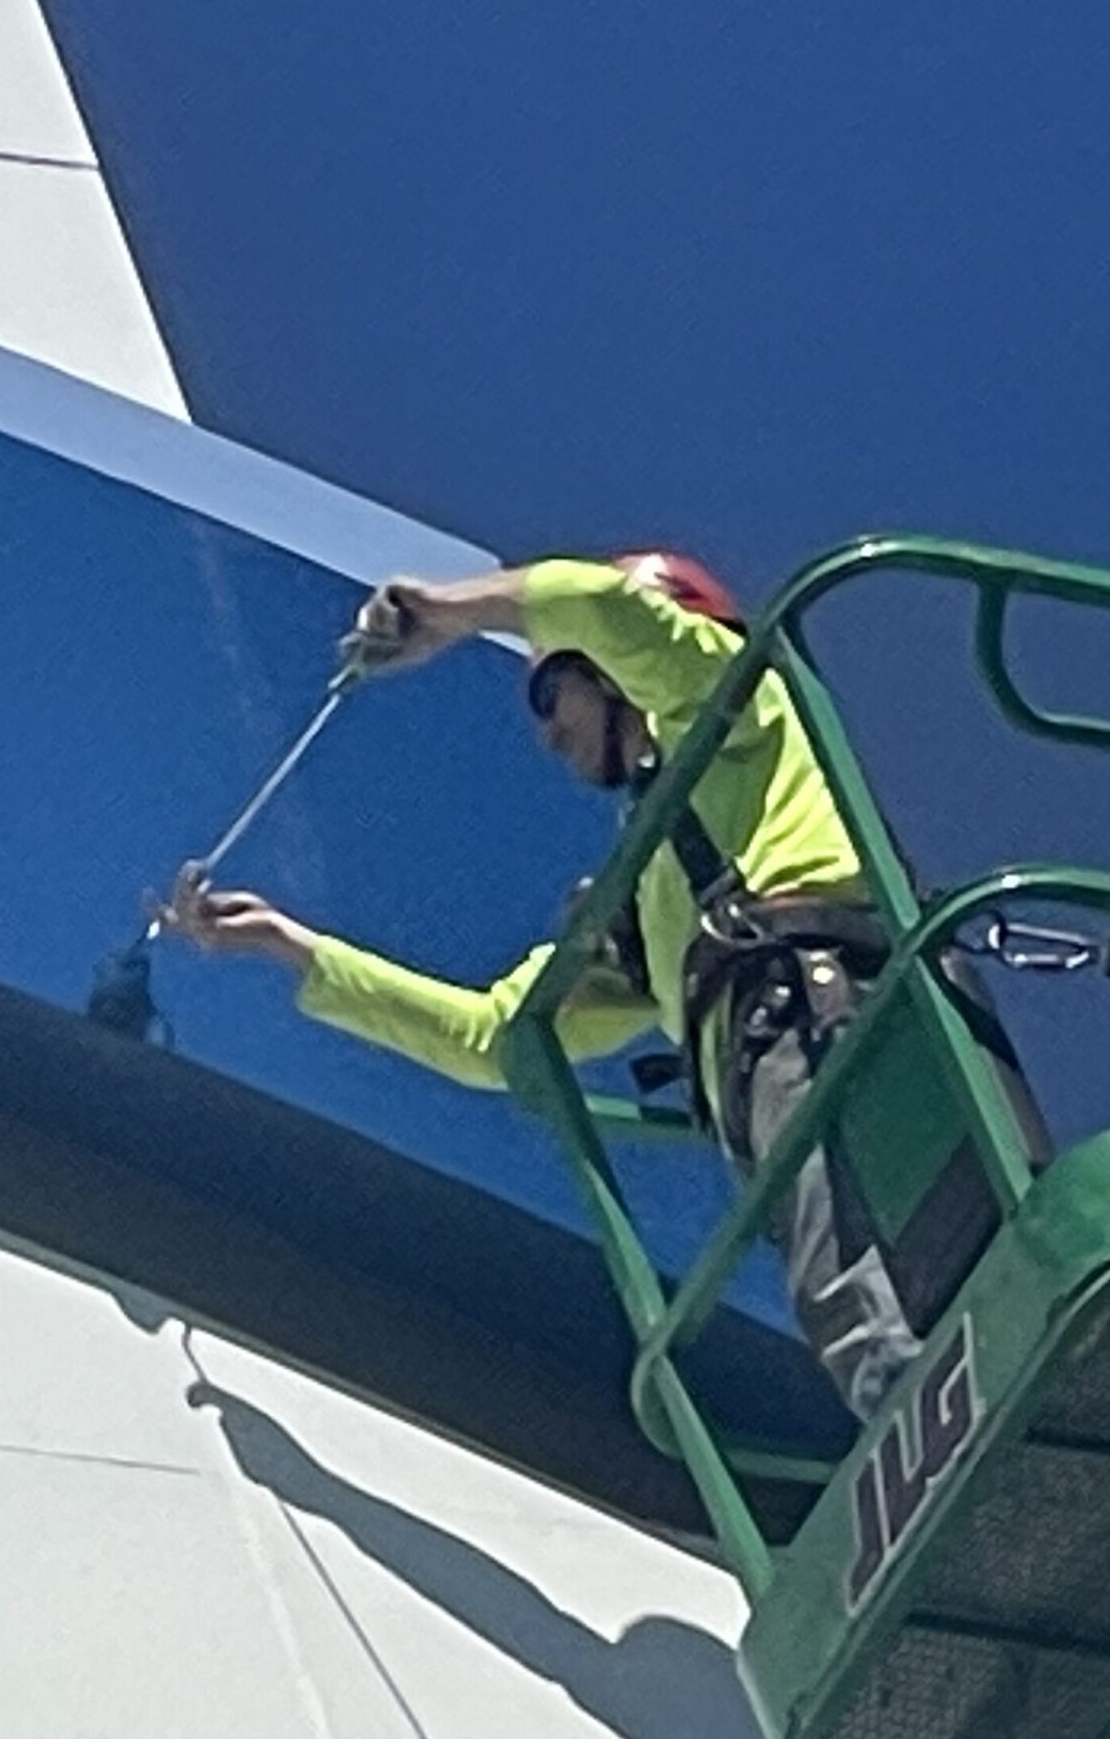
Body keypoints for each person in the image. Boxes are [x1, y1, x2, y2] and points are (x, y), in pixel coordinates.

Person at [163, 552, 941, 1418]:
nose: (547, 731)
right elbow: (500, 1038)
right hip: (774, 1049)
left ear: (616, 675)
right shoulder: (651, 893)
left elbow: (602, 606)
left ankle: (943, 1433)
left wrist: (448, 615)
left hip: (829, 1005)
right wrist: (293, 949)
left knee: (904, 1279)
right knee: (872, 1290)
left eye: (550, 694)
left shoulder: (736, 701)